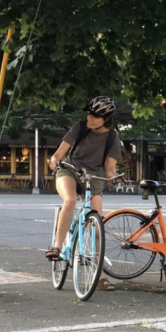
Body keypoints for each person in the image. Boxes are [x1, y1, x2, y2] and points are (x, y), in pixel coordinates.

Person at [45, 95, 122, 291]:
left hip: (93, 175)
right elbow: (59, 153)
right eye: (89, 114)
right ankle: (57, 246)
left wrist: (113, 177)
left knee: (97, 228)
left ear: (106, 119)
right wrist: (54, 161)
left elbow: (110, 167)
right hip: (69, 169)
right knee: (70, 201)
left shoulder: (112, 137)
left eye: (95, 116)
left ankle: (100, 275)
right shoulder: (79, 128)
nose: (90, 118)